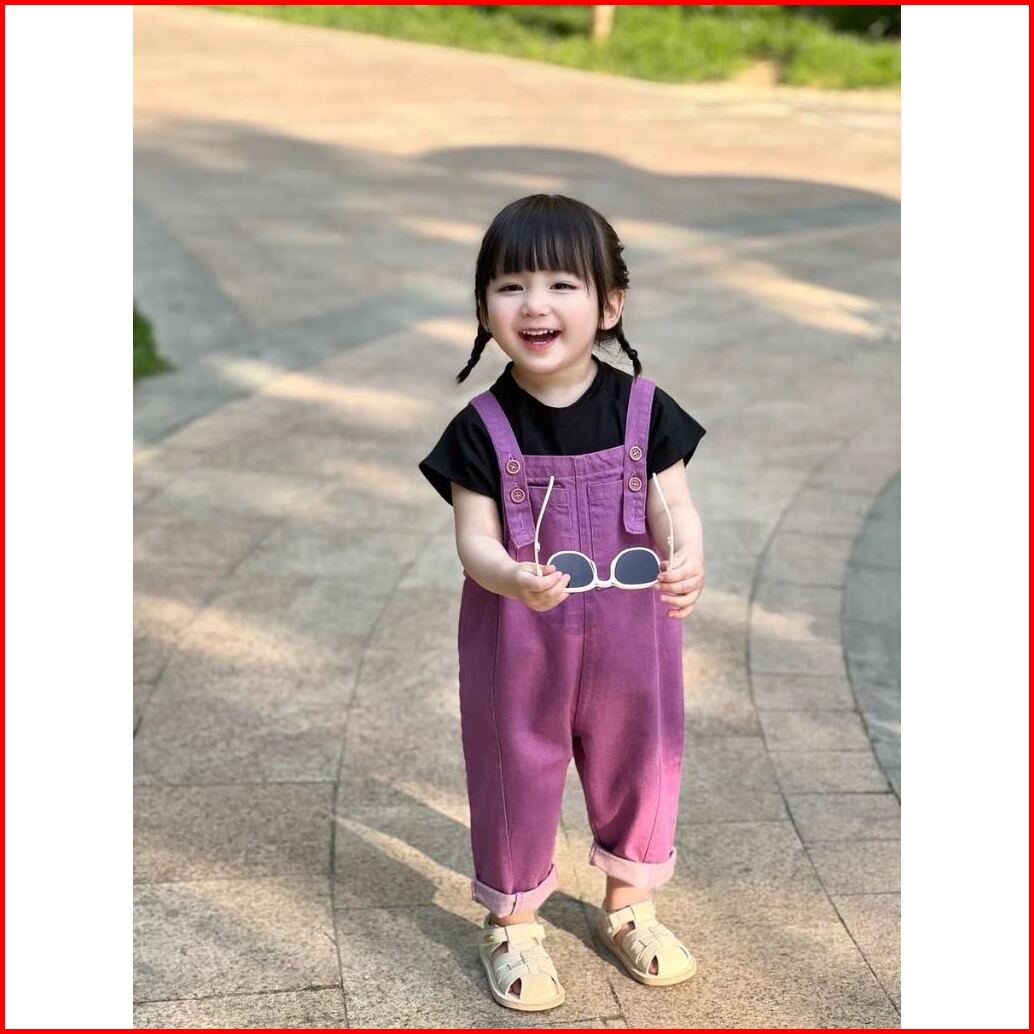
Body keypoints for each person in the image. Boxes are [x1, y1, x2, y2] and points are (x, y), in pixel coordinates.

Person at [419, 194, 706, 1012]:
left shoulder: (644, 409)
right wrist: (509, 576)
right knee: (515, 769)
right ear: (484, 307)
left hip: (633, 638)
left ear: (609, 305)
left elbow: (673, 507)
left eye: (560, 285)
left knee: (640, 758)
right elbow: (473, 538)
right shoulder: (480, 428)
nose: (534, 305)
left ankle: (630, 905)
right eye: (510, 287)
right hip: (519, 639)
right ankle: (513, 921)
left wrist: (687, 554)